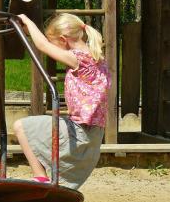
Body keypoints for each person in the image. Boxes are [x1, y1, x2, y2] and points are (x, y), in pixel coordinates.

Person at [13, 13, 111, 189]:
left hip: (80, 132)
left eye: (54, 43)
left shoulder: (78, 59)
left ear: (63, 40)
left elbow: (42, 45)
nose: (53, 48)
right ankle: (46, 178)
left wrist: (28, 21)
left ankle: (40, 177)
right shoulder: (97, 59)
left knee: (20, 127)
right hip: (95, 134)